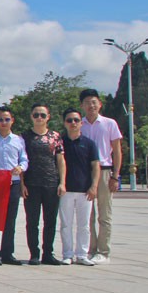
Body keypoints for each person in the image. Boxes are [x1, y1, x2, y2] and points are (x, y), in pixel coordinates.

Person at [79, 88, 123, 264]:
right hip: (85, 172)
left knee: (104, 214)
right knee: (87, 214)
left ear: (100, 104)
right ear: (82, 105)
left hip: (105, 170)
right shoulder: (78, 124)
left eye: (94, 102)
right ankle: (90, 249)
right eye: (87, 102)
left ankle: (104, 251)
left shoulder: (109, 123)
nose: (91, 106)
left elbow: (117, 150)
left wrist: (116, 175)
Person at [21, 104, 65, 266]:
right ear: (31, 117)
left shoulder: (55, 136)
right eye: (36, 115)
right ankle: (34, 253)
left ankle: (48, 253)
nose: (39, 118)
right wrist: (22, 184)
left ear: (48, 117)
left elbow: (60, 160)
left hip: (51, 183)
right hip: (31, 184)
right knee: (32, 221)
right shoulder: (24, 137)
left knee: (50, 220)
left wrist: (62, 182)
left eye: (42, 115)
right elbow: (21, 161)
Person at [59, 107, 100, 266]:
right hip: (66, 190)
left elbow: (95, 165)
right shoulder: (60, 142)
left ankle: (82, 254)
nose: (73, 123)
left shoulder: (89, 143)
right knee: (66, 224)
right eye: (69, 120)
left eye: (76, 120)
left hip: (85, 191)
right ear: (65, 123)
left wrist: (94, 186)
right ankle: (67, 254)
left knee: (84, 225)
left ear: (81, 122)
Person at [0, 105, 28, 266]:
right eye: (1, 119)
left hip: (13, 183)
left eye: (7, 119)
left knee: (10, 220)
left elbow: (24, 159)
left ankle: (7, 252)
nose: (4, 122)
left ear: (12, 121)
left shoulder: (18, 140)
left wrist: (21, 167)